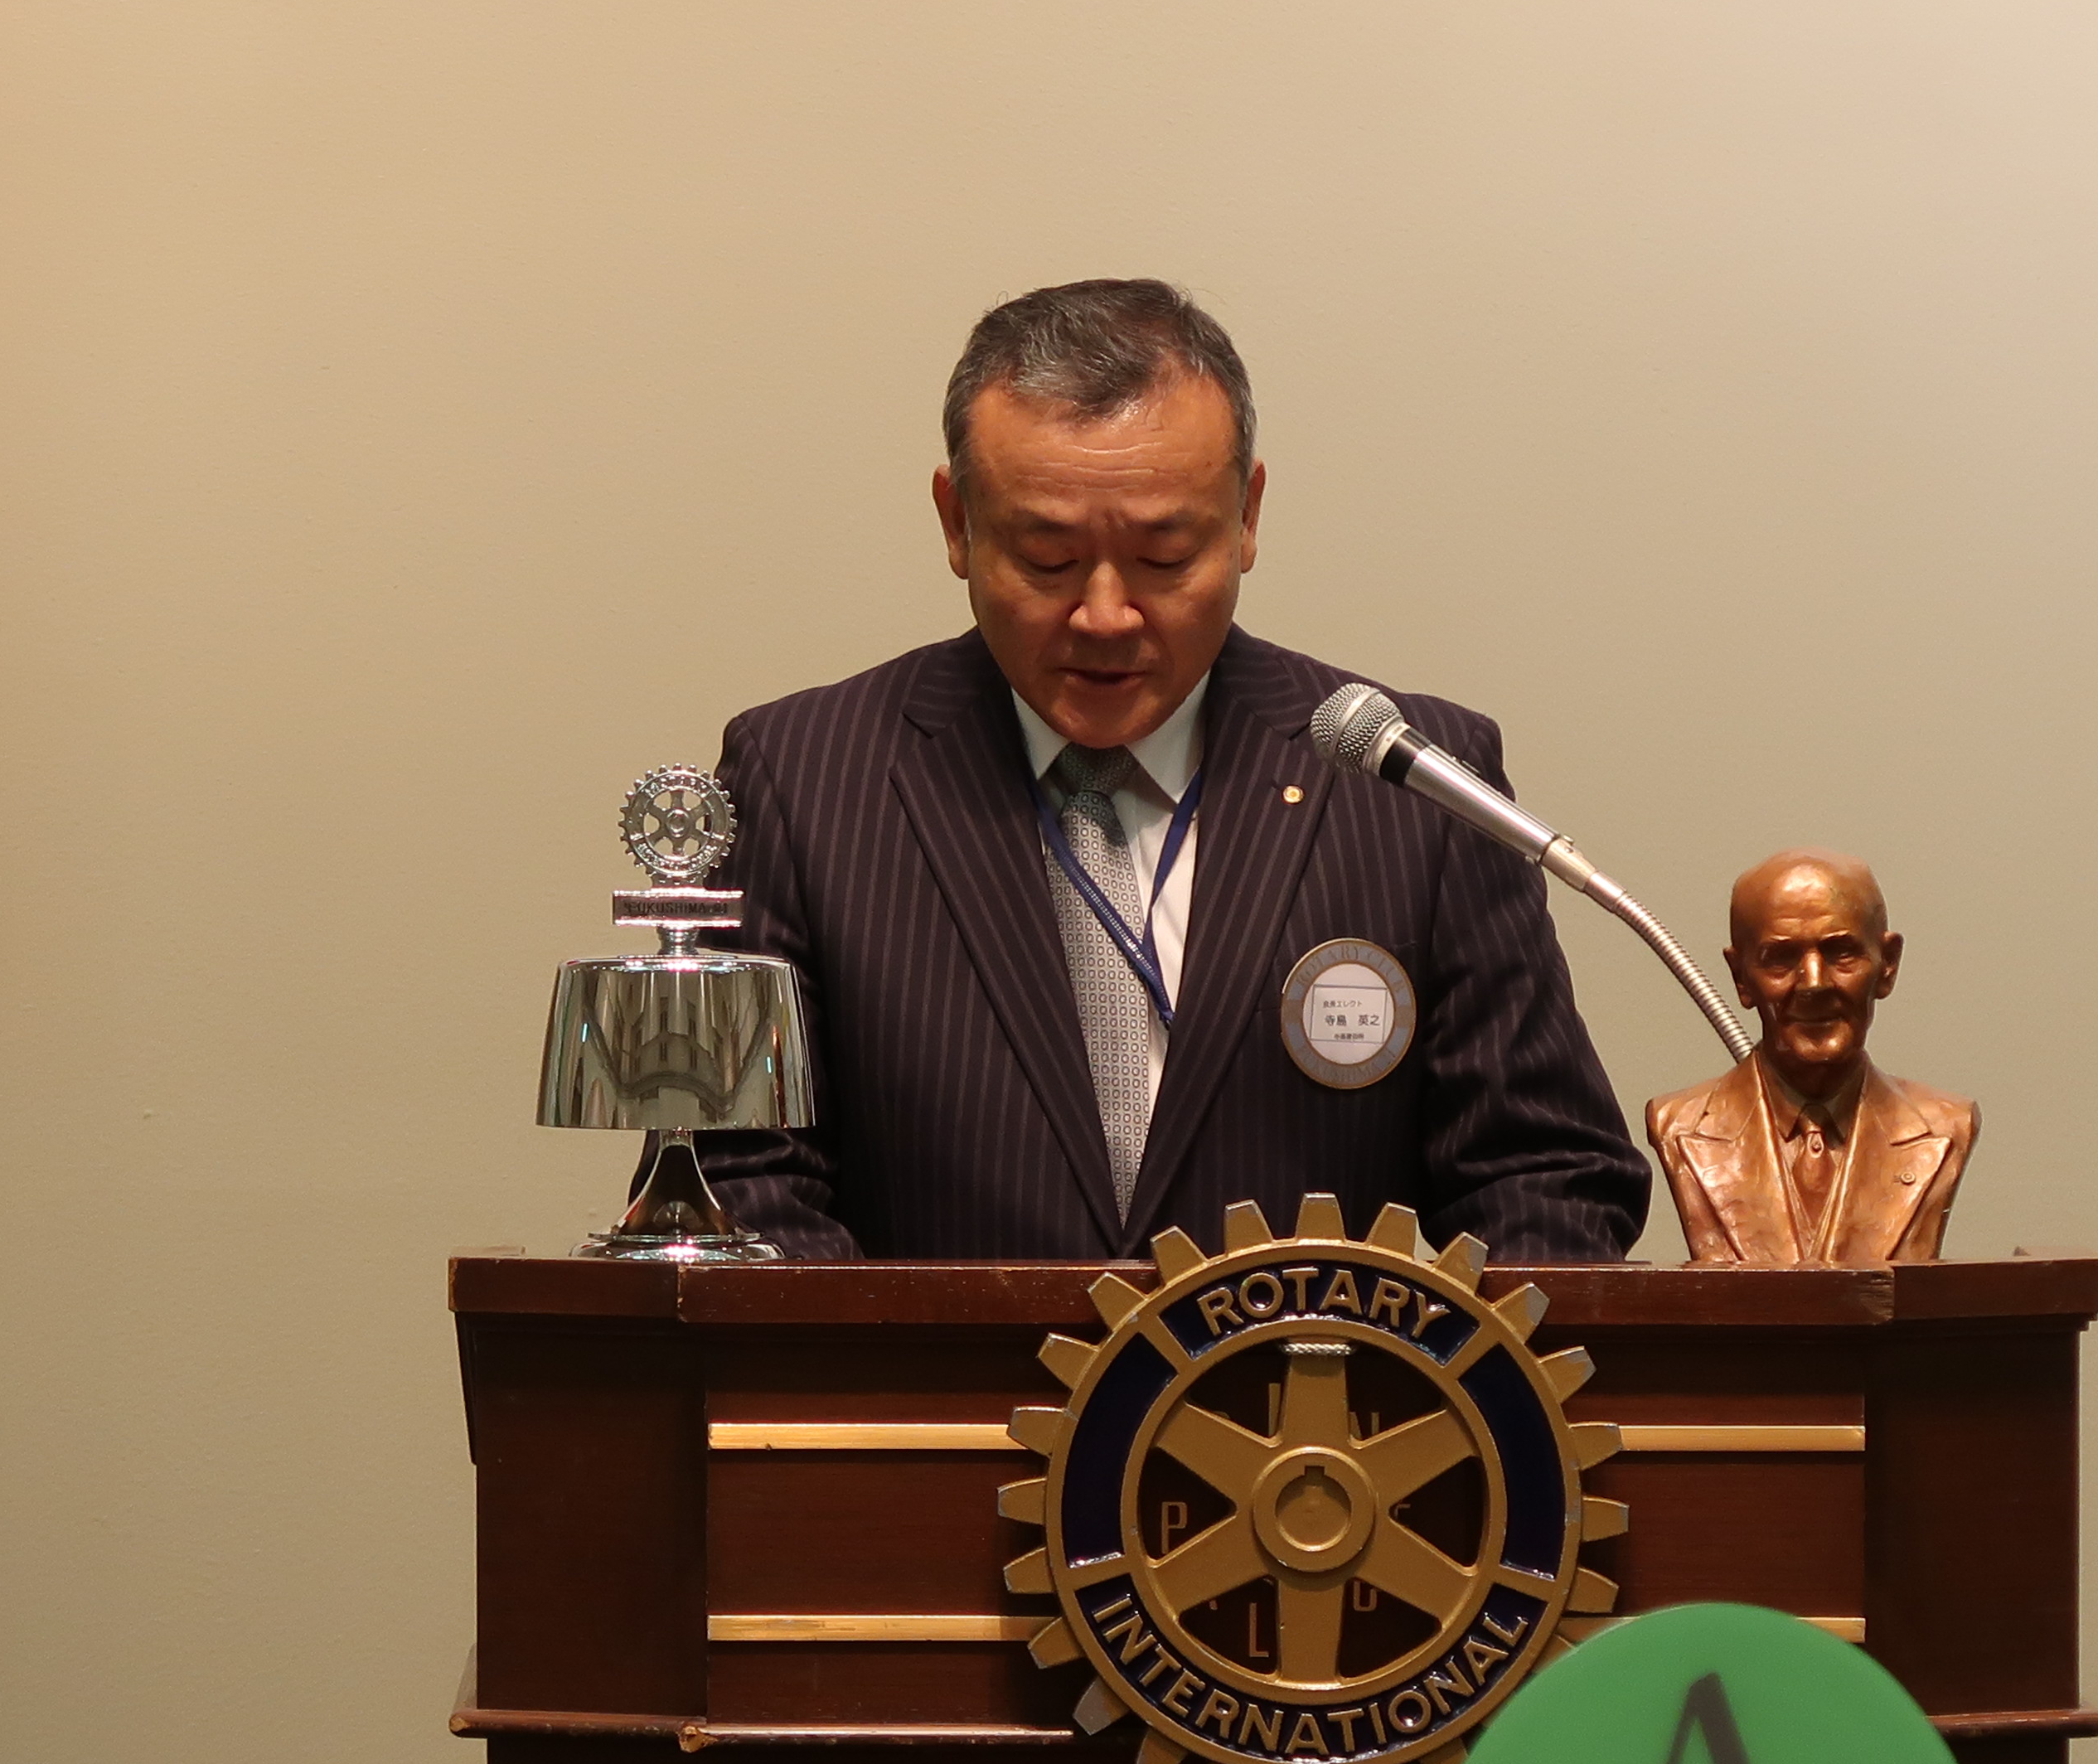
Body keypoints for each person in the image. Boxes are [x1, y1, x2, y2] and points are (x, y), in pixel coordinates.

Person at [684, 279, 1647, 1260]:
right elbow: (739, 1184)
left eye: (1165, 555)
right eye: (1048, 558)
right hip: (941, 1370)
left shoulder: (1414, 786)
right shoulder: (803, 781)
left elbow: (1544, 1181)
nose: (1106, 614)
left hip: (1313, 1364)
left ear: (1247, 517)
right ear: (957, 522)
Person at [1645, 850, 1979, 1265]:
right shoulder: (1678, 1123)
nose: (1814, 984)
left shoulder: (1947, 1124)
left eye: (1841, 953)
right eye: (1781, 959)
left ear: (1888, 964)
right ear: (1740, 977)